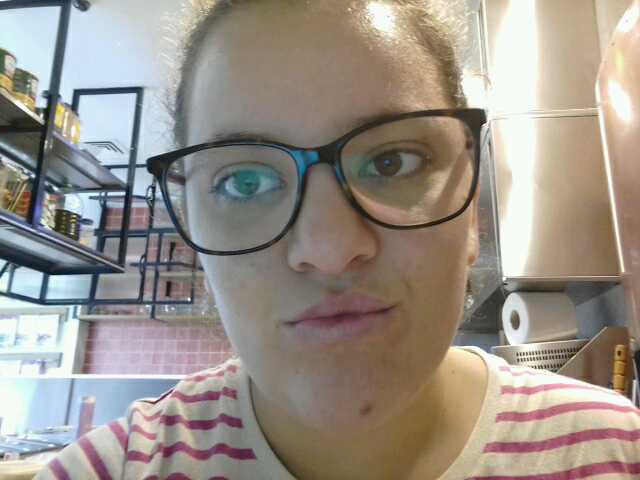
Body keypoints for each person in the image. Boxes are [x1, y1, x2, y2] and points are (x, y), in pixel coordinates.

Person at [38, 0, 640, 478]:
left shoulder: (616, 453)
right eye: (245, 182)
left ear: (471, 216)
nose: (329, 249)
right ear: (194, 233)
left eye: (392, 162)